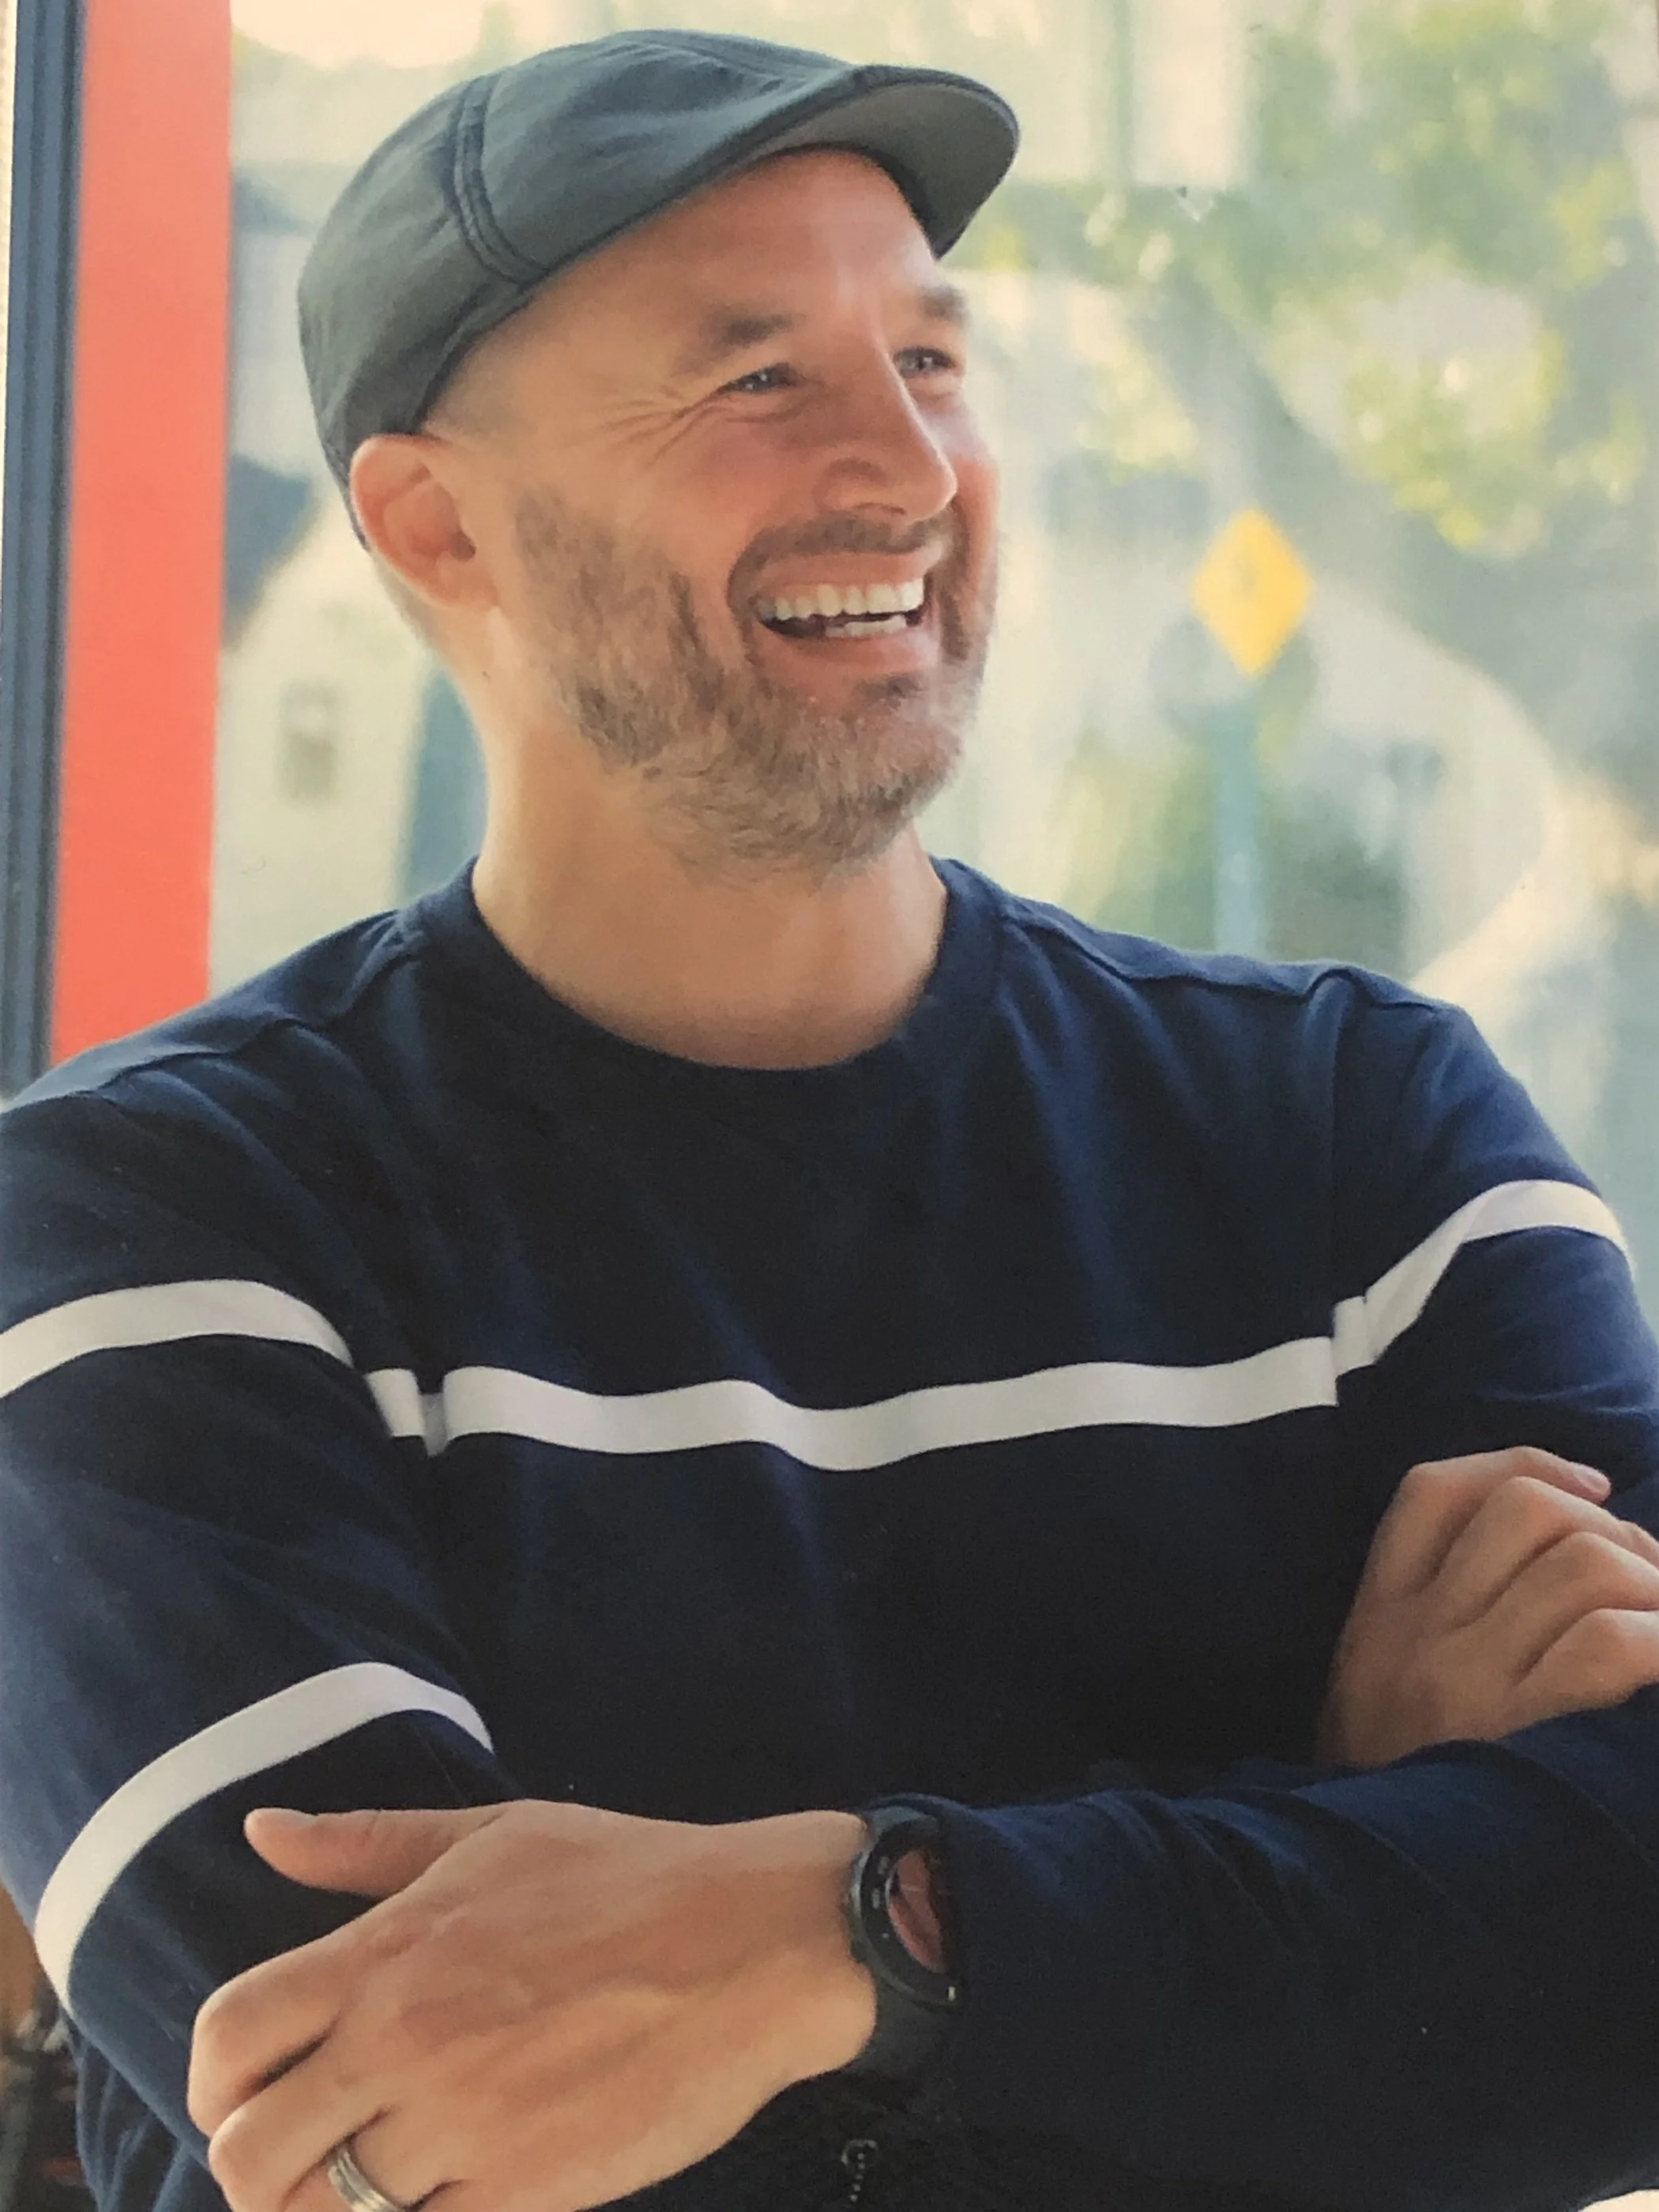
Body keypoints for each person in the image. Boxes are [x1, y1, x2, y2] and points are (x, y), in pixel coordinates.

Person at [3, 28, 1659, 2212]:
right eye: (754, 377)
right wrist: (1331, 1838)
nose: (908, 466)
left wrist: (840, 1940)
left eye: (938, 363)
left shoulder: (1358, 1133)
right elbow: (385, 2138)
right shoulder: (143, 1219)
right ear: (434, 520)